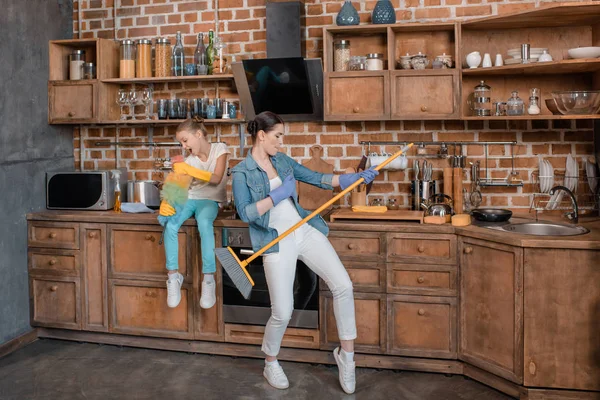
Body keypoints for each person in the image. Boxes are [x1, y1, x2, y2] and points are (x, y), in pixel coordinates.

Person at [231, 111, 378, 394]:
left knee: (343, 285)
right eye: (278, 136)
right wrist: (275, 196)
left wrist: (353, 178)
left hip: (303, 230)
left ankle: (347, 357)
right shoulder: (241, 172)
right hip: (275, 238)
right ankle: (270, 361)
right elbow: (246, 212)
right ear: (261, 136)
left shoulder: (283, 161)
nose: (282, 143)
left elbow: (318, 178)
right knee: (283, 311)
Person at [159, 116, 230, 309]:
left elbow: (216, 179)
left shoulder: (220, 149)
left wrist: (189, 170)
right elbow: (181, 187)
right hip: (190, 198)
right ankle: (173, 277)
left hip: (211, 200)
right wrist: (170, 198)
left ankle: (208, 280)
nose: (183, 146)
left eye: (185, 140)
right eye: (181, 142)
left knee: (204, 224)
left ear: (198, 134)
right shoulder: (188, 160)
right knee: (170, 225)